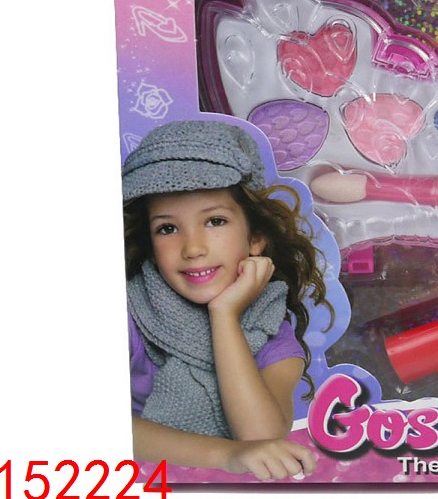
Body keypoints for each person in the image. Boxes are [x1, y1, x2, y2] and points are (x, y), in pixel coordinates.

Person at [122, 120, 327, 480]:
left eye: (215, 221)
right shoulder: (130, 312)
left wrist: (225, 315)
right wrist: (228, 455)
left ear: (255, 239)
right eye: (167, 228)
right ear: (152, 248)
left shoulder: (269, 331)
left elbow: (261, 439)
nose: (192, 248)